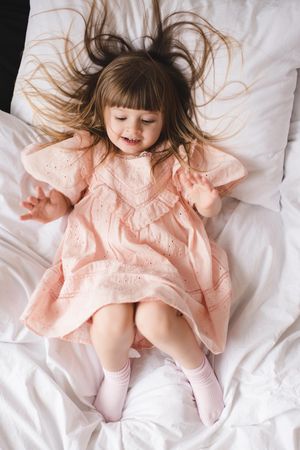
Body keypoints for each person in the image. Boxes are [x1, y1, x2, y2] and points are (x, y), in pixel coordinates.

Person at [19, 0, 247, 425]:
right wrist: (52, 207)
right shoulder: (93, 151)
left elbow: (209, 206)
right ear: (104, 114)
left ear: (164, 121)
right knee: (109, 320)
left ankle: (198, 371)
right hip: (104, 255)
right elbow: (67, 198)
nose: (132, 130)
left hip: (161, 255)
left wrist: (206, 199)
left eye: (147, 120)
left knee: (157, 319)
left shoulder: (174, 157)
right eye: (122, 117)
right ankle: (116, 376)